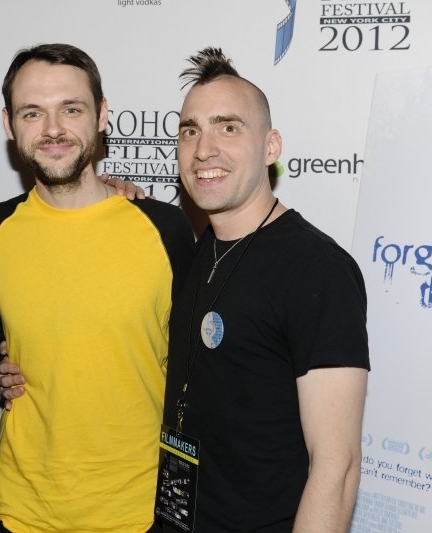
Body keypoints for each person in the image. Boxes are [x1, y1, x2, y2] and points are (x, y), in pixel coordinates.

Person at [0, 44, 194, 533]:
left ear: (102, 116)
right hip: (20, 514)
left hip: (139, 513)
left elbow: (201, 373)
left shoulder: (166, 228)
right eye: (33, 112)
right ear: (10, 124)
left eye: (71, 109)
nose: (53, 129)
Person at [150, 48, 368, 532]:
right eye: (190, 130)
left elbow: (339, 466)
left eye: (229, 127)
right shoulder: (194, 251)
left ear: (271, 147)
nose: (204, 148)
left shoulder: (317, 270)